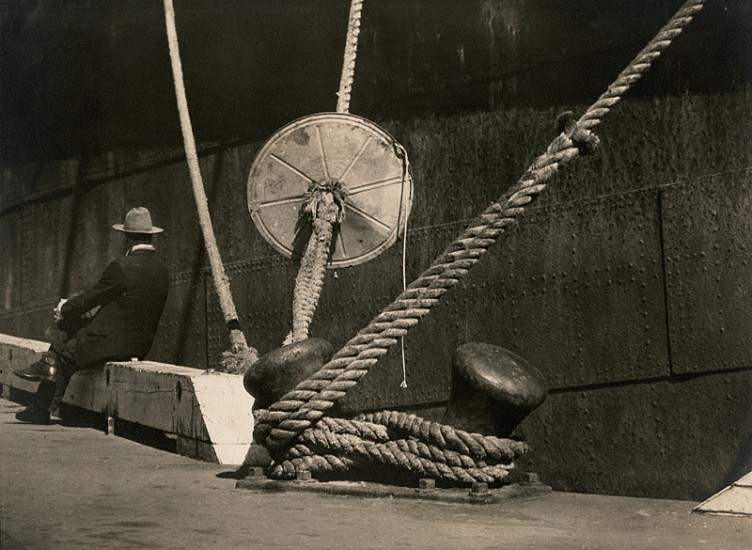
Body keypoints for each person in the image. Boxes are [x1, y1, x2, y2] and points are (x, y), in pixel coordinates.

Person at [14, 207, 169, 424]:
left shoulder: (121, 267)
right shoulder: (162, 268)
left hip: (112, 344)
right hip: (139, 345)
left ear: (126, 237)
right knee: (73, 322)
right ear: (151, 235)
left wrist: (64, 307)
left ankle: (42, 404)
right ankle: (47, 362)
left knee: (66, 354)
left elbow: (92, 297)